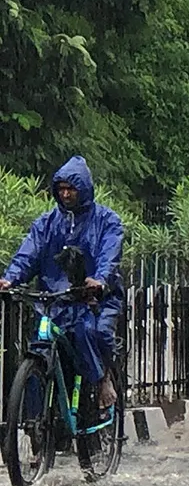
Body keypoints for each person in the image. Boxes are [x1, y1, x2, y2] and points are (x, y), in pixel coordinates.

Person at [0, 156, 123, 412]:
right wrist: (10, 278)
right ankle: (36, 422)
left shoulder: (106, 221)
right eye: (62, 189)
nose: (66, 194)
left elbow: (109, 256)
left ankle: (103, 380)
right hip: (55, 300)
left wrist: (99, 282)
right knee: (39, 346)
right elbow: (28, 254)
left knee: (91, 333)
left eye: (72, 189)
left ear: (84, 189)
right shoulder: (46, 224)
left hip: (94, 300)